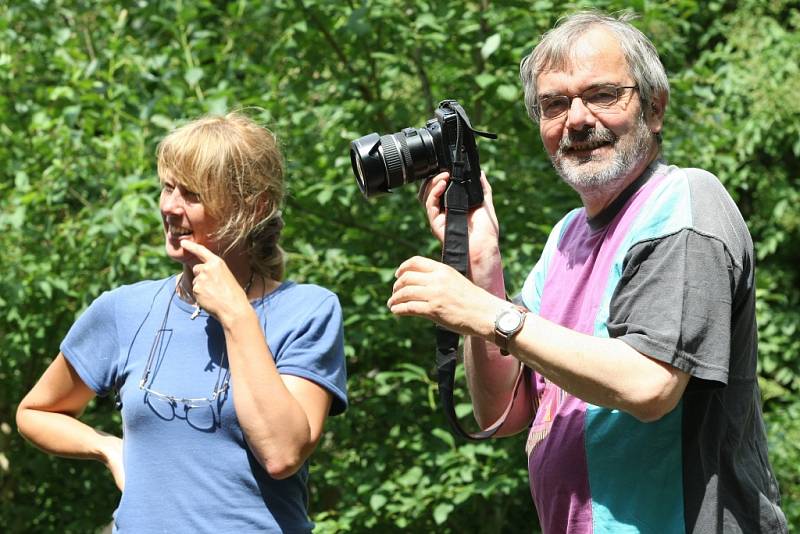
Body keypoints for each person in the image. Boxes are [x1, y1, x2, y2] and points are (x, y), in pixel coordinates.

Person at [387, 11, 787, 534]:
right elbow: (502, 413)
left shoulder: (684, 204)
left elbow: (649, 384)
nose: (576, 119)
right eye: (555, 104)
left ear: (655, 109)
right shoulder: (565, 239)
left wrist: (487, 314)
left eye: (601, 95)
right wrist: (483, 267)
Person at [16, 112, 348, 532]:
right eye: (167, 188)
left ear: (255, 206)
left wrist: (235, 314)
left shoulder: (306, 311)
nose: (169, 207)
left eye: (191, 194)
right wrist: (106, 448)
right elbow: (36, 411)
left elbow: (282, 453)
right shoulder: (124, 309)